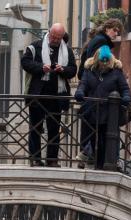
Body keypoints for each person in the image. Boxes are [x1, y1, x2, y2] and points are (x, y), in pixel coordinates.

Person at [21, 23, 77, 167]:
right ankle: (35, 158)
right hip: (37, 94)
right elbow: (25, 62)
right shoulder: (35, 47)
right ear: (49, 33)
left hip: (57, 96)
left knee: (54, 128)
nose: (56, 40)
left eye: (59, 38)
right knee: (35, 127)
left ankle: (52, 160)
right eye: (54, 37)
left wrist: (62, 69)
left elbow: (72, 70)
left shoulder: (67, 51)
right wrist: (41, 67)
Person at [74, 45, 131, 169]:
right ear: (97, 59)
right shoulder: (89, 72)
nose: (104, 63)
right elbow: (83, 85)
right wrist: (80, 93)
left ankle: (108, 163)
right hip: (91, 111)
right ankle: (87, 157)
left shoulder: (116, 72)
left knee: (108, 138)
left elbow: (124, 88)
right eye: (102, 60)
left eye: (106, 60)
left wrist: (126, 98)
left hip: (109, 113)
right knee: (90, 136)